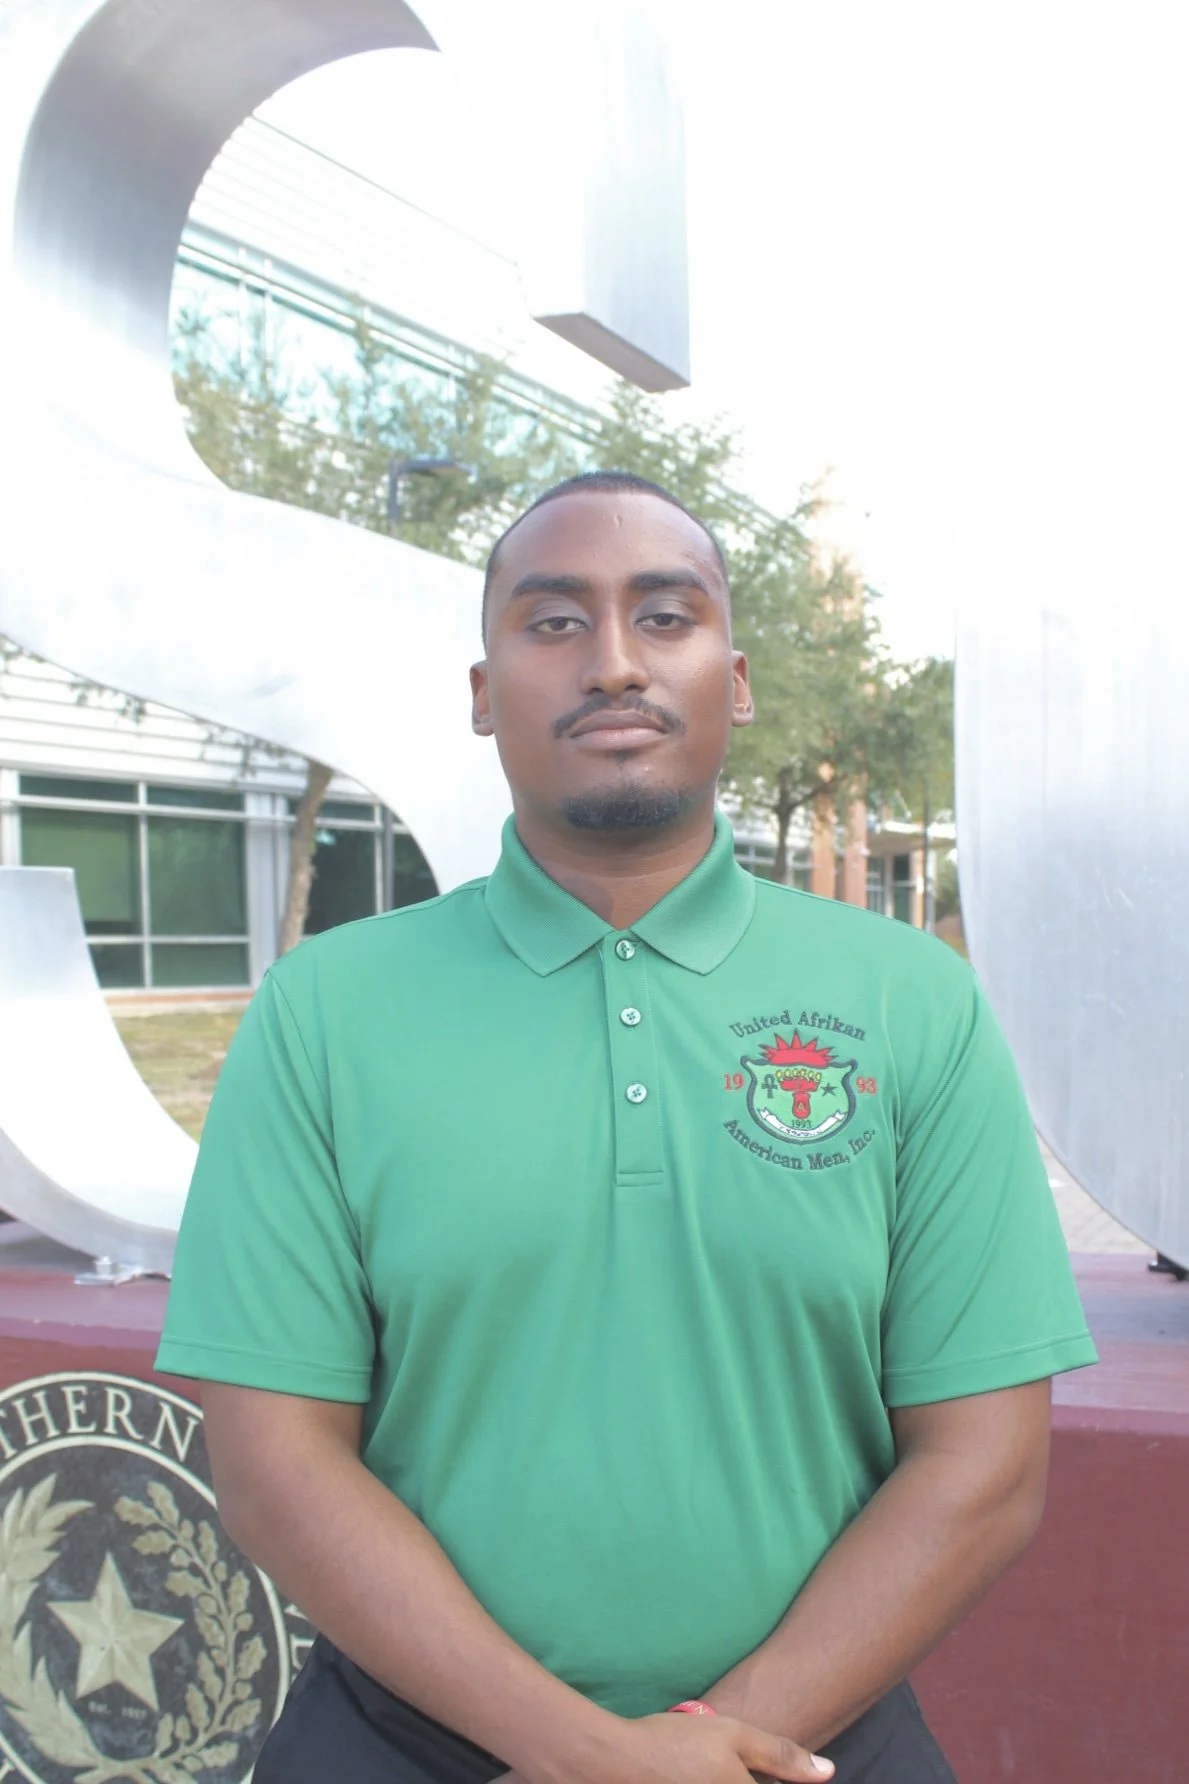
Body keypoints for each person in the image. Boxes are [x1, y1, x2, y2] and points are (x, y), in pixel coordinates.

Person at [156, 471, 1097, 1784]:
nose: (612, 663)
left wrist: (711, 1747)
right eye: (552, 623)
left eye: (665, 617)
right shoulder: (326, 1011)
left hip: (813, 1747)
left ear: (737, 676)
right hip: (403, 1746)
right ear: (483, 695)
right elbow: (273, 1458)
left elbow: (984, 1466)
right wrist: (584, 1753)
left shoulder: (913, 1002)